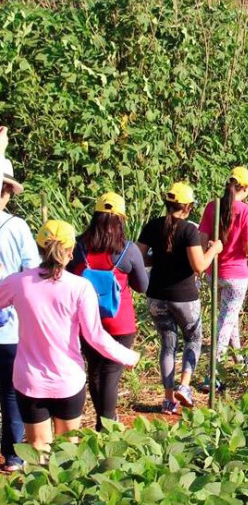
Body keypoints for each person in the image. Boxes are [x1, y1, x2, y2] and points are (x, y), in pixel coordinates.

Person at [0, 220, 139, 458]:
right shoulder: (80, 287)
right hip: (68, 381)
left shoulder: (17, 282)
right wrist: (127, 355)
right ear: (70, 251)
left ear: (40, 249)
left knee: (38, 452)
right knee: (67, 453)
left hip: (29, 381)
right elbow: (95, 336)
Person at [138, 182, 222, 413]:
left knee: (168, 344)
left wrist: (161, 259)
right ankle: (184, 386)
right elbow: (199, 266)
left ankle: (167, 399)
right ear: (187, 207)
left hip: (156, 294)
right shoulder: (188, 230)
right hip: (183, 296)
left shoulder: (152, 226)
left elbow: (140, 258)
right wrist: (214, 250)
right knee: (194, 339)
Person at [67, 193, 148, 430]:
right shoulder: (128, 250)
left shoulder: (79, 246)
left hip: (87, 320)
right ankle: (106, 423)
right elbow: (142, 286)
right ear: (121, 220)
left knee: (95, 371)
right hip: (120, 322)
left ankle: (102, 421)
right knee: (111, 373)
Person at [198, 167, 248, 374]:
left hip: (214, 272)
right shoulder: (246, 211)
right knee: (226, 321)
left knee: (230, 316)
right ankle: (213, 369)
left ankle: (240, 362)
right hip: (236, 275)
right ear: (244, 188)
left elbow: (202, 242)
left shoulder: (212, 207)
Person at [0, 126, 39, 472]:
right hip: (9, 328)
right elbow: (32, 273)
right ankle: (13, 456)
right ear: (8, 191)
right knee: (10, 393)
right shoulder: (17, 228)